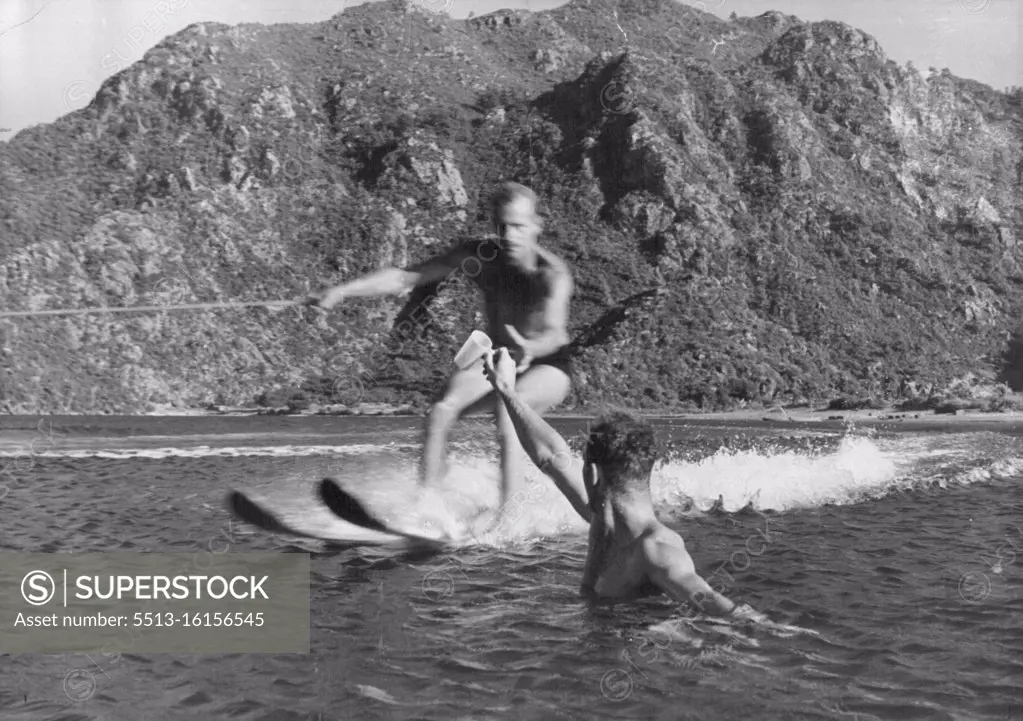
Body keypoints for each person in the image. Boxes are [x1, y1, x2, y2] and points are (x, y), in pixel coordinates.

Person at [305, 182, 576, 533]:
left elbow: (556, 330)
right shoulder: (479, 257)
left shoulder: (550, 274)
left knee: (509, 412)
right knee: (442, 408)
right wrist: (342, 292)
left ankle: (512, 519)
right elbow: (408, 276)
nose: (509, 235)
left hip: (547, 363)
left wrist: (529, 347)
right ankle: (428, 506)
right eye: (502, 225)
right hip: (499, 357)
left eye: (519, 226)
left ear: (537, 225)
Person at [480, 346, 767, 620]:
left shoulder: (655, 549)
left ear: (591, 473)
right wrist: (506, 389)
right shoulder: (601, 518)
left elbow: (713, 602)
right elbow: (552, 455)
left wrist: (768, 630)